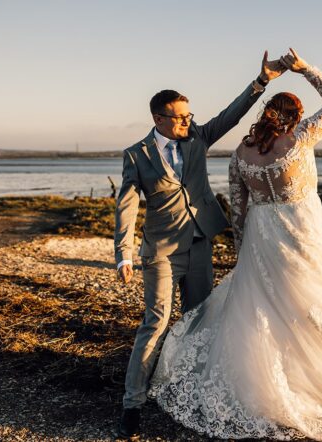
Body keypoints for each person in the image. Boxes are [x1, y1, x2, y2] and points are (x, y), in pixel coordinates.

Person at [148, 48, 322, 441]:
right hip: (302, 228)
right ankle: (318, 377)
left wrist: (242, 247)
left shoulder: (240, 154)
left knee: (262, 302)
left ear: (266, 113)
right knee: (314, 299)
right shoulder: (300, 139)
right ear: (296, 118)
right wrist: (303, 69)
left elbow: (236, 207)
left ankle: (260, 377)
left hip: (261, 233)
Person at [114, 51, 287, 439]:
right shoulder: (136, 156)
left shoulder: (197, 139)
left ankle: (190, 391)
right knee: (155, 323)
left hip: (199, 244)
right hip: (159, 251)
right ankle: (132, 403)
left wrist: (260, 83)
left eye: (189, 115)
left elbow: (231, 115)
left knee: (199, 320)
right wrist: (123, 254)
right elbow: (125, 206)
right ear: (158, 119)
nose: (187, 121)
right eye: (179, 116)